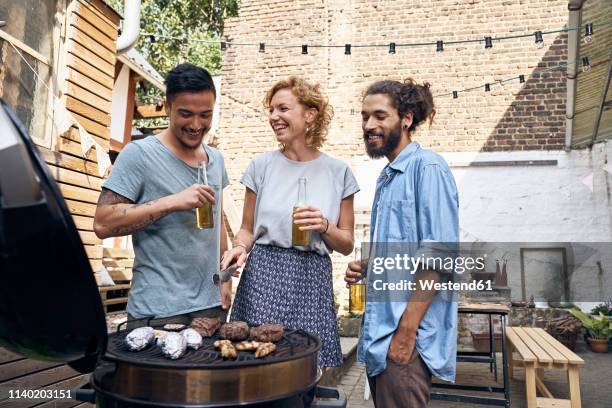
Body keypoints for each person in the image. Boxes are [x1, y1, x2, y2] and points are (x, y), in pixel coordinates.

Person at [220, 76, 359, 368]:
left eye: (283, 109)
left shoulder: (339, 172)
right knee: (253, 362)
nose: (273, 117)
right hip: (263, 275)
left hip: (311, 279)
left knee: (307, 367)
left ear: (310, 114)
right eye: (271, 110)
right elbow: (247, 228)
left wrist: (324, 226)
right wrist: (239, 248)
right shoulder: (261, 167)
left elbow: (346, 244)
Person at [344, 79, 459, 407]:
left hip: (405, 340)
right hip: (381, 338)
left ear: (406, 118)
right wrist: (371, 265)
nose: (369, 125)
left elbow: (438, 258)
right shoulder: (388, 177)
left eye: (380, 116)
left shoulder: (428, 167)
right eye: (365, 117)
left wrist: (406, 335)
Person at [93, 63, 231, 328]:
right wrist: (173, 202)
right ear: (167, 107)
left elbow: (218, 221)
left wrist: (225, 277)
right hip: (158, 311)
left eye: (205, 115)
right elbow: (103, 222)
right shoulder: (139, 155)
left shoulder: (216, 159)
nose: (196, 124)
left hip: (210, 308)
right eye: (186, 114)